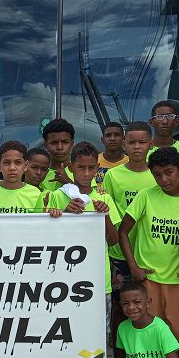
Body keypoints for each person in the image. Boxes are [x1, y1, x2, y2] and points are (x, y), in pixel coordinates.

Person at [119, 147, 179, 348]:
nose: (163, 179)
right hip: (148, 279)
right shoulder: (146, 196)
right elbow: (123, 232)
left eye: (168, 172)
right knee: (147, 333)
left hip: (178, 280)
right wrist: (134, 267)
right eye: (157, 175)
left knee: (175, 339)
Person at [46, 141, 121, 337]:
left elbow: (113, 241)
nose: (86, 173)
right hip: (64, 276)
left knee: (96, 332)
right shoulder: (58, 196)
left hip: (97, 277)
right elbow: (46, 236)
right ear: (71, 168)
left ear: (98, 168)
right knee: (64, 328)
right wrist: (64, 212)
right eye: (81, 167)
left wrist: (103, 216)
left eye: (91, 168)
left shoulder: (104, 199)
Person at [102, 121, 155, 347]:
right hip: (119, 253)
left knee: (147, 308)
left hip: (149, 254)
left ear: (151, 145)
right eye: (131, 142)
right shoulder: (113, 176)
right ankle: (120, 355)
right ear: (123, 144)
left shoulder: (157, 175)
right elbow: (106, 207)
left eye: (142, 142)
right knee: (120, 308)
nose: (136, 147)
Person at [0, 141, 42, 214]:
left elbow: (38, 223)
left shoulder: (35, 193)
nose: (12, 168)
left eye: (18, 162)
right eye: (6, 162)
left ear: (25, 166)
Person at [146, 100, 179, 178]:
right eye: (160, 117)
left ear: (176, 122)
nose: (165, 121)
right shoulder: (143, 149)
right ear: (151, 122)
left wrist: (178, 172)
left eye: (170, 117)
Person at [40, 118, 76, 192]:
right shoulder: (38, 173)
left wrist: (68, 182)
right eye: (54, 143)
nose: (60, 147)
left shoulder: (82, 170)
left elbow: (90, 199)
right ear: (45, 145)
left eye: (65, 142)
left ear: (72, 144)